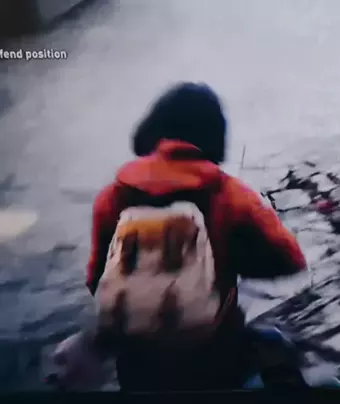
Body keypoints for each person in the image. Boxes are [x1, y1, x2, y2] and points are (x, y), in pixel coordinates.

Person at [85, 82, 308, 391]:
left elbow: (96, 280)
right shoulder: (233, 196)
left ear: (152, 127)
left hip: (138, 368)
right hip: (216, 359)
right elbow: (291, 260)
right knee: (275, 348)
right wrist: (237, 255)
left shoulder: (112, 197)